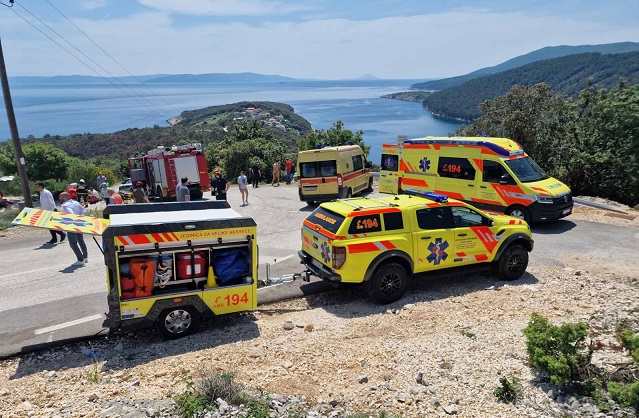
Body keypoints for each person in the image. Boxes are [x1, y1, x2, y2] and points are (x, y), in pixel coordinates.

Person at [59, 191, 88, 267]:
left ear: (65, 197)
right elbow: (84, 210)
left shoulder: (66, 205)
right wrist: (80, 219)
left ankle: (80, 259)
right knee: (81, 241)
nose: (60, 199)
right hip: (80, 223)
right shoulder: (75, 202)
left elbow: (71, 214)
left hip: (72, 225)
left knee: (73, 243)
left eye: (61, 198)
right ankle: (85, 257)